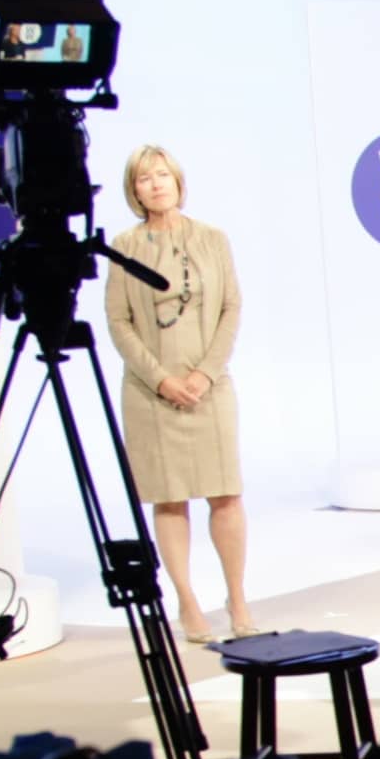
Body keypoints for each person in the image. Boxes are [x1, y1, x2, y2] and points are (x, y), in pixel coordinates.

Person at [102, 145, 255, 646]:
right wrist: (162, 379)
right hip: (152, 392)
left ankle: (237, 598)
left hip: (209, 386)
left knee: (225, 494)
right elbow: (119, 323)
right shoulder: (124, 247)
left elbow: (231, 307)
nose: (156, 184)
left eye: (162, 174)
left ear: (178, 181)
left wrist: (205, 374)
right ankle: (187, 601)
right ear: (134, 190)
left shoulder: (212, 239)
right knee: (169, 499)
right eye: (144, 178)